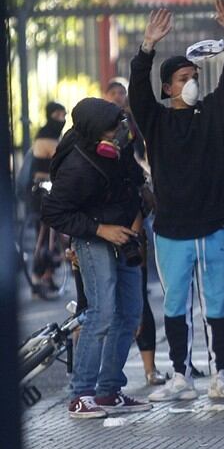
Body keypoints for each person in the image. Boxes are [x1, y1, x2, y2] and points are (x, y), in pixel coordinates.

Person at [129, 0, 224, 402]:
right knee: (175, 305)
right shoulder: (156, 121)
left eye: (194, 75)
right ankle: (180, 374)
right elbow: (138, 94)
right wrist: (147, 46)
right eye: (182, 77)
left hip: (214, 226)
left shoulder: (211, 114)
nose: (191, 82)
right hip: (172, 231)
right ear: (167, 87)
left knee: (216, 304)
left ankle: (221, 374)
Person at [41, 97, 151, 418]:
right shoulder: (76, 166)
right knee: (101, 313)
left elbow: (133, 183)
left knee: (131, 312)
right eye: (111, 129)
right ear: (93, 134)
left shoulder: (122, 146)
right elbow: (53, 211)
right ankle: (81, 394)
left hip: (125, 232)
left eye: (119, 124)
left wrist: (135, 219)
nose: (119, 132)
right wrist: (101, 230)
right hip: (94, 238)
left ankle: (108, 390)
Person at [102, 79, 167, 387]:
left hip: (131, 222)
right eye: (112, 93)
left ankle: (150, 368)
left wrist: (138, 235)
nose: (118, 97)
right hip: (99, 230)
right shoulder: (91, 150)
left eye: (121, 93)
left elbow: (142, 164)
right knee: (99, 304)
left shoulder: (133, 131)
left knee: (137, 297)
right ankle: (100, 375)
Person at [28, 102, 68, 299]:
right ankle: (37, 280)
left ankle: (48, 277)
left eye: (64, 114)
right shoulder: (45, 136)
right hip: (42, 191)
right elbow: (61, 156)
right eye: (58, 114)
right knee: (44, 237)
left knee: (54, 237)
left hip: (52, 190)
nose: (62, 118)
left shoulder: (53, 136)